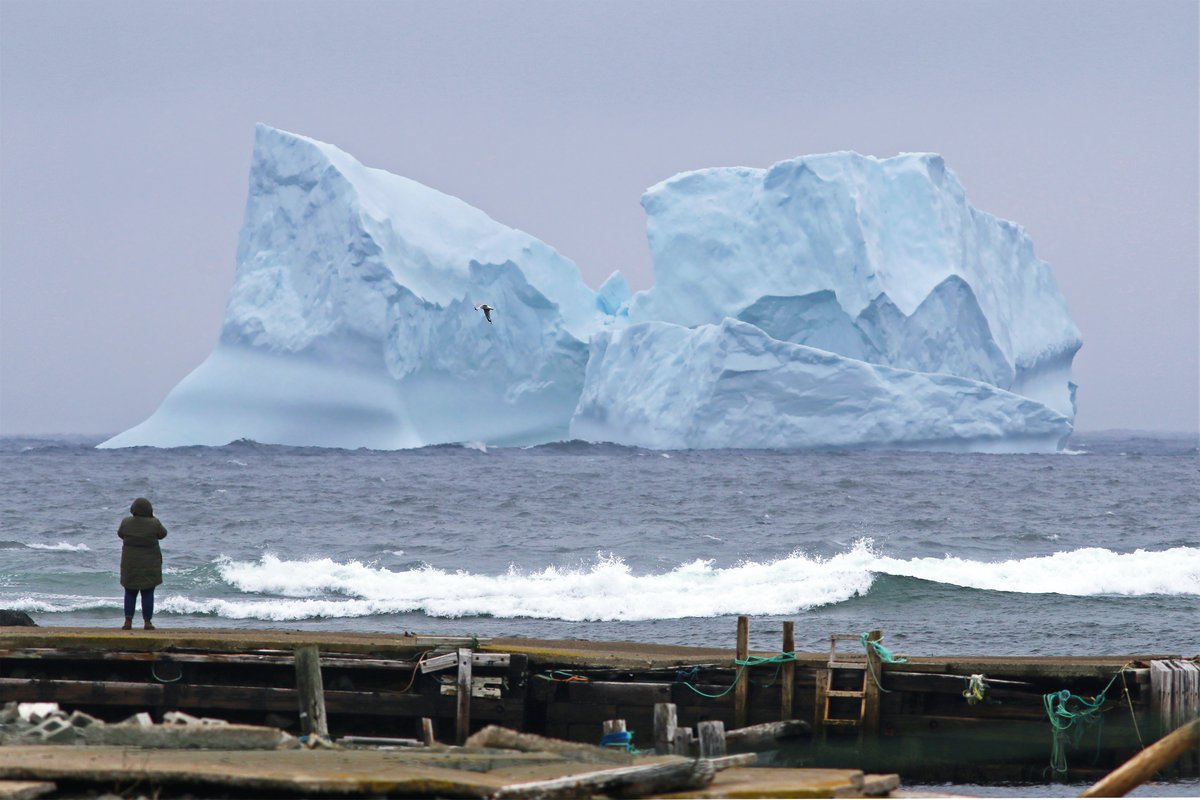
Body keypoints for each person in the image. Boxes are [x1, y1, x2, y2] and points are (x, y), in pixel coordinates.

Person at [117, 497, 167, 630]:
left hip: (129, 564)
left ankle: (128, 621)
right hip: (150, 565)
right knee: (148, 592)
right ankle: (147, 622)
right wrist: (153, 518)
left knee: (130, 592)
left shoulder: (126, 523)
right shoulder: (154, 523)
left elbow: (120, 534)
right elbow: (163, 534)